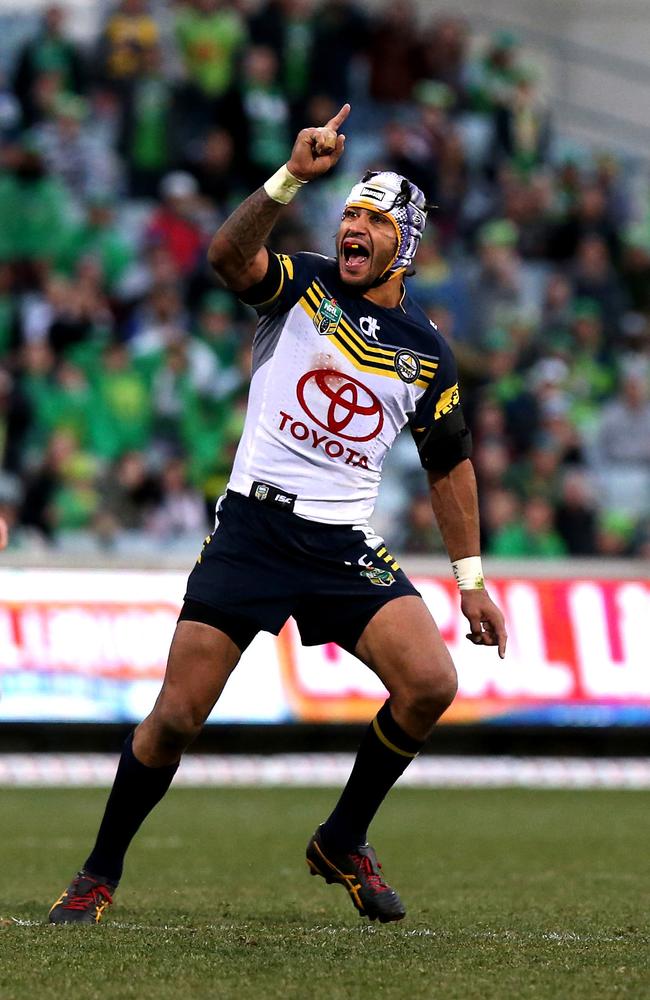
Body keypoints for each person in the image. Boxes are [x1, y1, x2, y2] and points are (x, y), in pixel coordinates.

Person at [49, 103, 507, 926]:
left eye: (371, 220)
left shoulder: (427, 352)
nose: (352, 230)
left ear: (406, 240)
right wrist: (292, 175)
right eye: (348, 217)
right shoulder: (300, 284)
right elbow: (228, 256)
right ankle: (98, 870)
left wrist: (470, 581)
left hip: (339, 543)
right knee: (176, 718)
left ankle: (342, 839)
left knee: (431, 684)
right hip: (254, 530)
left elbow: (449, 465)